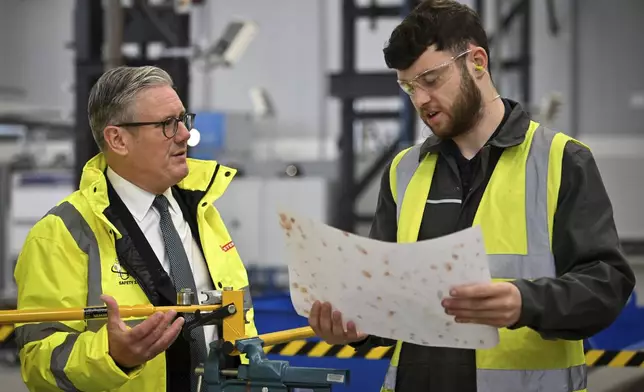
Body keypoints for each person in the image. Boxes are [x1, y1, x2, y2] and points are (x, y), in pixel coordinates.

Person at [308, 1, 636, 391]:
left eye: (430, 79)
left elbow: (606, 284)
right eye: (408, 86)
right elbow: (389, 304)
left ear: (477, 62)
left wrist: (524, 301)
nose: (420, 100)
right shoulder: (403, 172)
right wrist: (357, 328)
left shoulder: (561, 161)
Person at [13, 65, 258, 392]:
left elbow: (240, 324)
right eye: (167, 125)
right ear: (118, 139)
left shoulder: (203, 213)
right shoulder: (61, 234)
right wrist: (113, 357)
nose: (185, 135)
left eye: (184, 120)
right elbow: (39, 363)